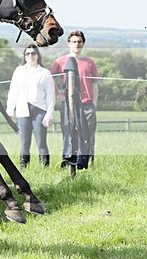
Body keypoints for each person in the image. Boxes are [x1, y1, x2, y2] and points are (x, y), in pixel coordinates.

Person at [50, 30, 100, 169]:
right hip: (69, 105)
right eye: (74, 42)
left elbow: (95, 84)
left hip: (87, 104)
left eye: (79, 42)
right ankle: (68, 162)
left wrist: (94, 103)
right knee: (69, 133)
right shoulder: (61, 61)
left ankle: (89, 164)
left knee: (88, 135)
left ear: (83, 43)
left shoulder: (89, 62)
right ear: (69, 43)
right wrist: (58, 94)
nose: (77, 44)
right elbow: (49, 78)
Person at [6, 45, 56, 168]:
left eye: (33, 53)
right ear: (24, 56)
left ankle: (44, 168)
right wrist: (10, 108)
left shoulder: (45, 73)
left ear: (37, 55)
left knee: (41, 142)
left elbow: (50, 95)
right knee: (24, 142)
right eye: (27, 54)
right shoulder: (19, 71)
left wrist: (49, 114)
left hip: (39, 110)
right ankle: (23, 168)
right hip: (23, 109)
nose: (30, 56)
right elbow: (13, 90)